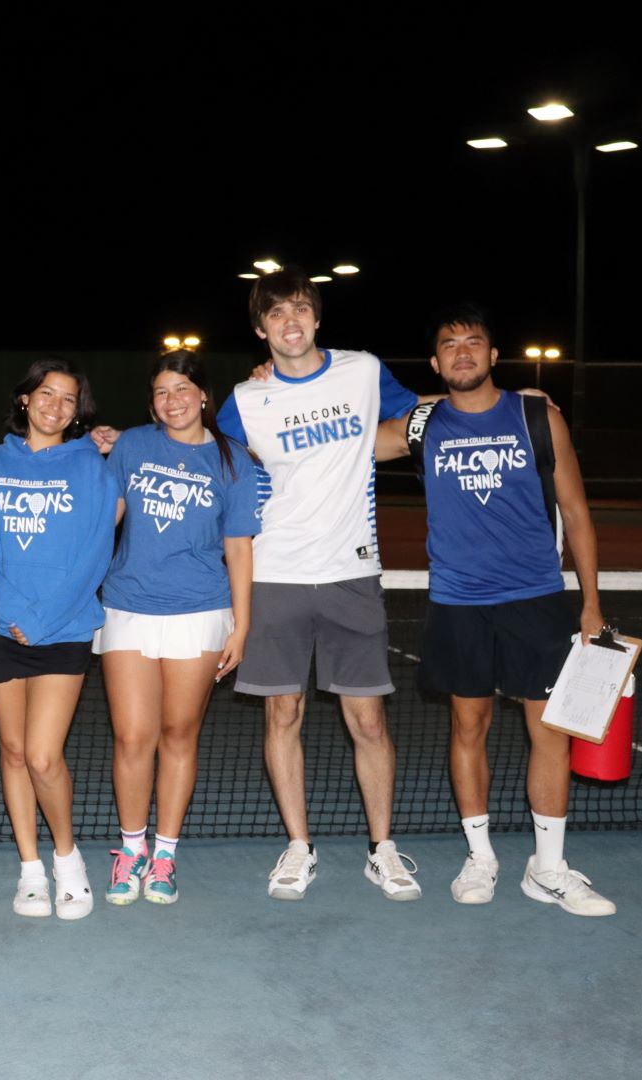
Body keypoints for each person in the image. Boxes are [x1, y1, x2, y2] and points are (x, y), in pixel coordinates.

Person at [375, 304, 615, 915]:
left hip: (536, 598)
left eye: (473, 343)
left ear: (493, 355)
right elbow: (344, 444)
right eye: (449, 346)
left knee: (550, 732)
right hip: (458, 603)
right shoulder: (423, 424)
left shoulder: (536, 415)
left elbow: (579, 514)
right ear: (435, 363)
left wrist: (590, 604)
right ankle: (481, 857)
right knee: (467, 728)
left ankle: (549, 868)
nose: (462, 353)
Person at [221, 267, 425, 902]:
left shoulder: (362, 371)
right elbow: (199, 453)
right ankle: (298, 847)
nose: (291, 323)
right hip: (276, 575)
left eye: (301, 310)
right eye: (276, 315)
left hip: (351, 573)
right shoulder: (245, 399)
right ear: (261, 330)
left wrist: (515, 401)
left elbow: (419, 416)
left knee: (368, 721)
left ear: (316, 318)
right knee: (284, 713)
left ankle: (383, 849)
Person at [96, 349, 258, 905]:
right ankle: (131, 850)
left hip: (200, 613)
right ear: (152, 402)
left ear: (204, 395)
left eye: (182, 390)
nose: (173, 401)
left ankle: (165, 854)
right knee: (132, 737)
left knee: (178, 735)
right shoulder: (133, 445)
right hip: (127, 608)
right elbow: (105, 518)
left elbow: (239, 548)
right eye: (162, 392)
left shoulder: (233, 460)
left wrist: (241, 627)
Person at [0, 359, 119, 920]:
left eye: (68, 399)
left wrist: (41, 617)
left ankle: (68, 858)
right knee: (12, 752)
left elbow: (96, 553)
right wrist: (10, 610)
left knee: (42, 753)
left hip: (63, 628)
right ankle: (30, 868)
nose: (56, 405)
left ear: (78, 411)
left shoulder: (94, 466)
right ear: (25, 399)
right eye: (46, 394)